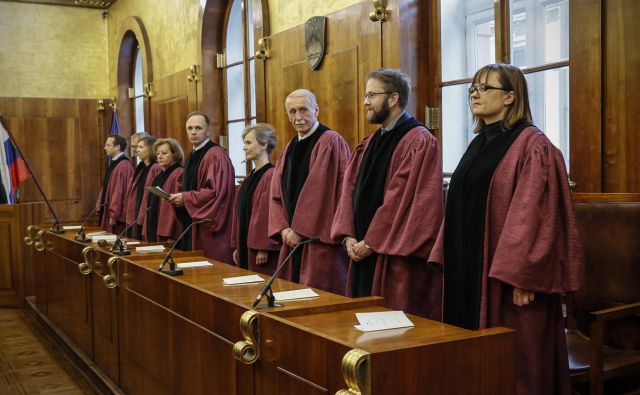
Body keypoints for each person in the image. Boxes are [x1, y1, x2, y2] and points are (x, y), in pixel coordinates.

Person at [433, 63, 583, 395]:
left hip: (509, 282)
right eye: (472, 87)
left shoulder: (533, 146)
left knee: (516, 368)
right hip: (471, 272)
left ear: (510, 97)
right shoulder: (478, 144)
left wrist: (523, 274)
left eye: (485, 88)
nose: (475, 93)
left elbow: (534, 216)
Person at [331, 68, 444, 319]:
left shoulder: (419, 141)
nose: (365, 102)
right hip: (359, 250)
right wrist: (348, 236)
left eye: (372, 95)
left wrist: (371, 242)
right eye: (365, 95)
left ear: (393, 98)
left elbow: (402, 199)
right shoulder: (370, 142)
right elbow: (349, 189)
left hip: (390, 258)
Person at [269, 89, 350, 295]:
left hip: (319, 242)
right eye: (292, 111)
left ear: (316, 110)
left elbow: (323, 194)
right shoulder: (289, 148)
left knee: (320, 297)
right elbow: (276, 192)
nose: (298, 117)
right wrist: (283, 228)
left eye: (303, 110)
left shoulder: (331, 141)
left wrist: (301, 230)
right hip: (291, 238)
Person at [168, 112, 235, 263]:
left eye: (198, 128)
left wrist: (185, 198)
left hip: (209, 228)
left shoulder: (215, 155)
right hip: (192, 223)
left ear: (208, 131)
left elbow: (215, 193)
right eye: (189, 128)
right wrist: (178, 199)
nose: (193, 132)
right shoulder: (193, 154)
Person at [231, 124, 280, 275]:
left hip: (260, 249)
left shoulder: (270, 175)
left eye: (248, 142)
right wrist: (238, 245)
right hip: (246, 243)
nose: (244, 148)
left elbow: (266, 214)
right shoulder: (250, 177)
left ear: (264, 144)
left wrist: (263, 247)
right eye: (244, 143)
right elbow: (239, 211)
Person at [143, 138, 184, 243]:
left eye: (164, 153)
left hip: (168, 230)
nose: (159, 156)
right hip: (154, 223)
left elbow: (176, 206)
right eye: (158, 153)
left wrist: (171, 232)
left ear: (175, 154)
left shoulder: (179, 173)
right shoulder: (158, 175)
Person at [124, 135, 161, 239]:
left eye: (140, 147)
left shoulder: (155, 168)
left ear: (150, 148)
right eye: (137, 147)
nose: (137, 150)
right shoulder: (141, 168)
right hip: (136, 212)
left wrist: (142, 216)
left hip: (145, 215)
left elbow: (149, 195)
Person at [97, 134, 134, 234]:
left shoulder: (123, 166)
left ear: (117, 147)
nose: (105, 148)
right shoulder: (115, 164)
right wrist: (100, 206)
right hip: (109, 212)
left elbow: (119, 192)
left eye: (108, 145)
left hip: (117, 218)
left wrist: (113, 214)